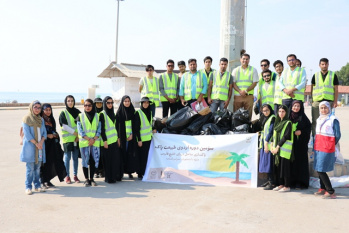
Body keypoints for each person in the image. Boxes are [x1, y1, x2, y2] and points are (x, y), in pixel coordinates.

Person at [313, 101, 341, 199]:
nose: (323, 110)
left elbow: (337, 134)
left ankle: (330, 191)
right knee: (318, 167)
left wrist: (330, 144)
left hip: (327, 147)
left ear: (329, 108)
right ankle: (322, 188)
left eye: (325, 107)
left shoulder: (333, 119)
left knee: (321, 169)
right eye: (322, 108)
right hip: (318, 147)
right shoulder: (319, 119)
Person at [20, 100, 47, 195]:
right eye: (35, 107)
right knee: (30, 168)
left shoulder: (41, 119)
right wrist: (36, 143)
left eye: (39, 108)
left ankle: (37, 185)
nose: (37, 109)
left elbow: (44, 133)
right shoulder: (26, 118)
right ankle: (28, 187)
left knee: (37, 168)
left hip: (40, 147)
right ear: (31, 107)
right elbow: (27, 134)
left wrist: (41, 142)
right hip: (30, 147)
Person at [40, 104, 67, 188]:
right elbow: (39, 133)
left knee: (50, 162)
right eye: (46, 110)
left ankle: (47, 180)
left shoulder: (51, 119)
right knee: (43, 163)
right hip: (44, 144)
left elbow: (54, 131)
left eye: (49, 110)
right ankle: (42, 181)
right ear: (43, 110)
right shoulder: (41, 120)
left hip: (52, 145)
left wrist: (54, 135)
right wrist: (47, 136)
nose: (48, 111)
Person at [311, 58, 339, 136]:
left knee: (329, 121)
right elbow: (311, 88)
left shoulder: (333, 75)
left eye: (326, 64)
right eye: (322, 64)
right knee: (315, 121)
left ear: (328, 65)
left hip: (329, 101)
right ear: (319, 65)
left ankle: (328, 137)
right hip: (317, 101)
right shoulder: (315, 75)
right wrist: (312, 100)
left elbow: (336, 89)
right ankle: (315, 138)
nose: (324, 66)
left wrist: (335, 101)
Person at [77, 99, 101, 187]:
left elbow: (99, 128)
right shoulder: (80, 116)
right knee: (85, 161)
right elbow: (80, 130)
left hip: (94, 142)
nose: (87, 107)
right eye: (86, 105)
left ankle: (92, 179)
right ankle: (86, 179)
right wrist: (89, 139)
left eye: (89, 105)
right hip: (85, 143)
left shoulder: (98, 116)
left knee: (93, 161)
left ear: (92, 106)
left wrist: (93, 139)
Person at [99, 96, 122, 183]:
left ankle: (113, 177)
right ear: (105, 103)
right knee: (107, 161)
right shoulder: (102, 114)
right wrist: (105, 141)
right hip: (106, 142)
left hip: (114, 141)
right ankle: (108, 178)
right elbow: (101, 129)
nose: (110, 104)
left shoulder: (113, 114)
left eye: (111, 103)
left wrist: (118, 139)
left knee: (114, 160)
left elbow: (115, 128)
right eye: (108, 103)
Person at [289, 100, 311, 189]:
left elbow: (308, 129)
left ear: (301, 107)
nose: (296, 108)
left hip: (300, 145)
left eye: (298, 106)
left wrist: (301, 132)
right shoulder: (288, 117)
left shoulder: (304, 118)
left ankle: (300, 182)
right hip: (290, 145)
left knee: (300, 164)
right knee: (291, 163)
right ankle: (290, 182)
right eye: (294, 106)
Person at [271, 105, 293, 192]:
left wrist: (277, 146)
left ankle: (287, 186)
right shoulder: (277, 122)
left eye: (283, 111)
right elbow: (274, 135)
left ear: (286, 112)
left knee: (285, 168)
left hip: (284, 149)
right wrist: (272, 146)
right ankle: (281, 184)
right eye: (279, 111)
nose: (281, 113)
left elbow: (286, 136)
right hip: (277, 149)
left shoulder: (288, 122)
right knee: (279, 168)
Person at [59, 95, 81, 184]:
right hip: (67, 140)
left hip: (76, 139)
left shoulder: (78, 112)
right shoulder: (63, 113)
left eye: (72, 101)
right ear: (66, 102)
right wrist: (75, 133)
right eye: (68, 101)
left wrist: (78, 136)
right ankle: (67, 176)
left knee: (75, 158)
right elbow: (64, 126)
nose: (70, 102)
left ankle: (75, 175)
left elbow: (81, 125)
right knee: (67, 158)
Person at [116, 95, 138, 179]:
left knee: (130, 155)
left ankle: (129, 171)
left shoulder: (133, 112)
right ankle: (121, 172)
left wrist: (132, 135)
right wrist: (119, 138)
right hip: (122, 138)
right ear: (122, 102)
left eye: (128, 101)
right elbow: (116, 127)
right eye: (125, 101)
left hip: (131, 138)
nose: (127, 103)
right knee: (122, 155)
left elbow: (135, 125)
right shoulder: (119, 113)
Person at [134, 97, 156, 179]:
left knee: (147, 156)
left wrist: (153, 130)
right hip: (141, 140)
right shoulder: (138, 113)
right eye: (144, 103)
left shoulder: (150, 112)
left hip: (149, 138)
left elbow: (149, 124)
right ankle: (140, 173)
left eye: (147, 103)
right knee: (141, 157)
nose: (146, 104)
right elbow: (136, 128)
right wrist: (139, 140)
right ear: (141, 104)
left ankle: (145, 172)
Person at [232, 53, 259, 121]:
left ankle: (247, 128)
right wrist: (240, 91)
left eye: (247, 59)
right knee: (237, 114)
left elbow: (255, 83)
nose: (245, 60)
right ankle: (236, 128)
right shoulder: (236, 70)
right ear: (240, 60)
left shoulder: (253, 70)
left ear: (249, 60)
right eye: (243, 59)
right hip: (238, 96)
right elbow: (233, 83)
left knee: (248, 114)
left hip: (248, 96)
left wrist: (246, 91)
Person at [258, 104, 276, 190]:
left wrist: (266, 143)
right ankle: (269, 181)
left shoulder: (272, 118)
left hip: (268, 144)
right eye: (264, 111)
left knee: (269, 164)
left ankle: (272, 183)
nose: (265, 112)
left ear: (270, 110)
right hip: (264, 144)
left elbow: (271, 131)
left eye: (267, 110)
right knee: (266, 164)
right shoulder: (266, 118)